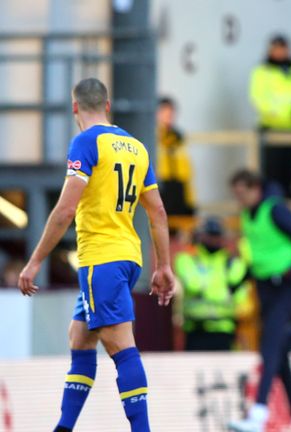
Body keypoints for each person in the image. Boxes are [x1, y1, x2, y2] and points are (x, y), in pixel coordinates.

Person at [17, 78, 175, 432]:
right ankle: (63, 427)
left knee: (121, 346)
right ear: (107, 105)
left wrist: (35, 260)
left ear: (75, 108)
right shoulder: (136, 147)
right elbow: (157, 212)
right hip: (128, 257)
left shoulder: (86, 142)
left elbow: (64, 210)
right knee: (80, 336)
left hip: (99, 259)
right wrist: (163, 265)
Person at [228, 169, 291, 432]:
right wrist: (240, 281)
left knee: (269, 346)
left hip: (285, 288)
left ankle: (257, 415)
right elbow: (258, 255)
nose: (239, 199)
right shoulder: (247, 215)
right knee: (278, 356)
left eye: (242, 193)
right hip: (264, 287)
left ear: (256, 188)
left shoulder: (275, 210)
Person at [250, 34, 291, 198]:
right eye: (277, 49)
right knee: (272, 177)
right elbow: (260, 99)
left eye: (283, 49)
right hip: (272, 131)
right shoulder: (262, 71)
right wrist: (287, 113)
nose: (281, 52)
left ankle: (287, 210)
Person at [173, 217, 248, 351]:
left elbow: (241, 298)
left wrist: (207, 286)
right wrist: (222, 288)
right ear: (200, 236)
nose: (213, 239)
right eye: (210, 235)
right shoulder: (187, 259)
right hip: (195, 330)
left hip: (225, 331)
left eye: (217, 235)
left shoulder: (231, 263)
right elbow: (193, 285)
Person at [156, 96, 195, 216]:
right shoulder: (152, 136)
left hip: (179, 189)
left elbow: (186, 171)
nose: (169, 115)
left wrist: (190, 201)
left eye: (171, 112)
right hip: (160, 187)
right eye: (164, 112)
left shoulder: (179, 138)